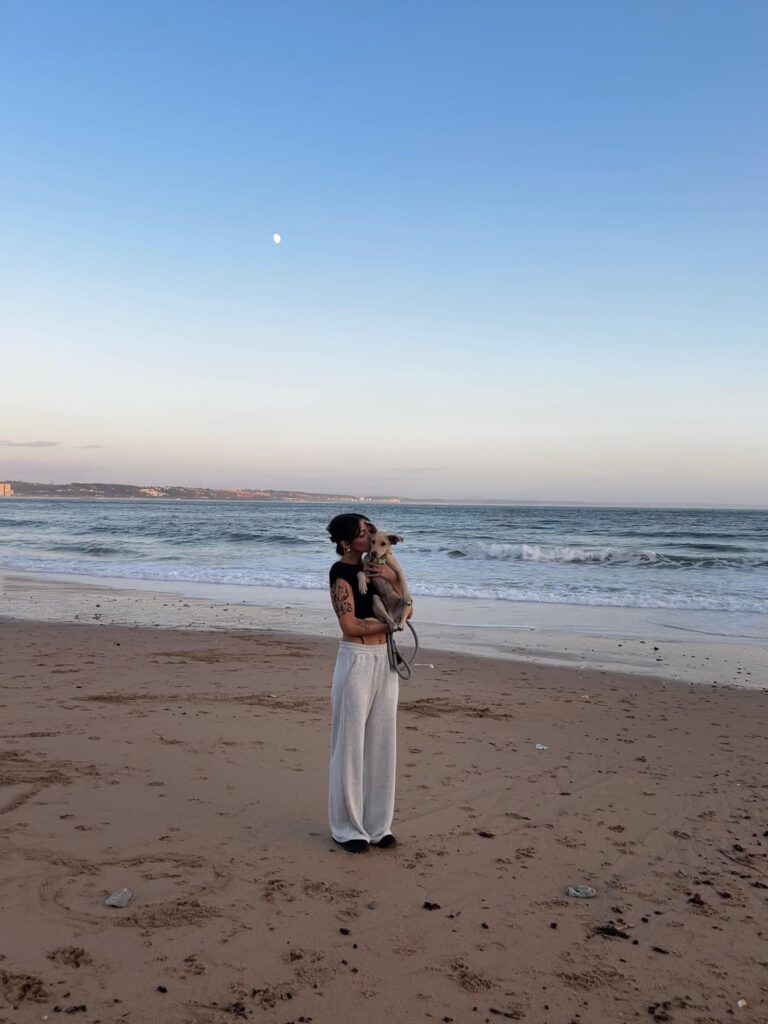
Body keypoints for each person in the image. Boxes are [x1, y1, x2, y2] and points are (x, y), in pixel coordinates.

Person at [325, 513, 412, 853]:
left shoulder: (382, 568)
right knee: (350, 745)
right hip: (357, 660)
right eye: (363, 533)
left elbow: (408, 608)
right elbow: (349, 625)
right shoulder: (341, 574)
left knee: (382, 742)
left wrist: (393, 580)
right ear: (347, 542)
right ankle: (347, 829)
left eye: (370, 530)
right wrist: (390, 624)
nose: (370, 536)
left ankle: (378, 826)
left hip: (385, 659)